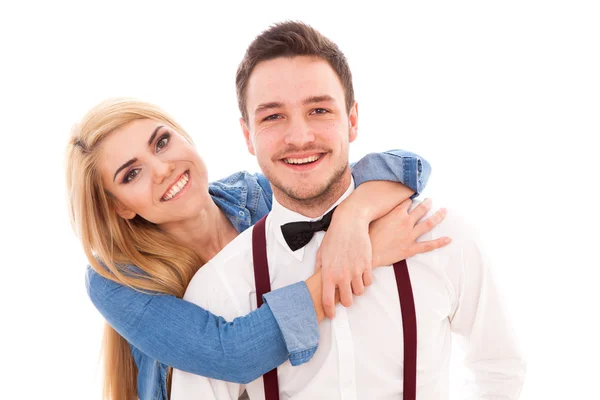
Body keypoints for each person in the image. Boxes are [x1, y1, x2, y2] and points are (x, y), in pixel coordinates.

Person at [170, 21, 526, 399]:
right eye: (273, 116)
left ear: (352, 120)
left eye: (319, 110)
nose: (300, 137)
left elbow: (499, 366)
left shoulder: (440, 234)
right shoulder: (220, 285)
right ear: (247, 135)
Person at [67, 96, 449, 399]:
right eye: (132, 174)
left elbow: (406, 165)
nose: (163, 168)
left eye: (162, 142)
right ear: (120, 205)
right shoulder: (114, 279)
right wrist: (359, 260)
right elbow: (231, 353)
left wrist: (353, 219)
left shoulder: (257, 195)